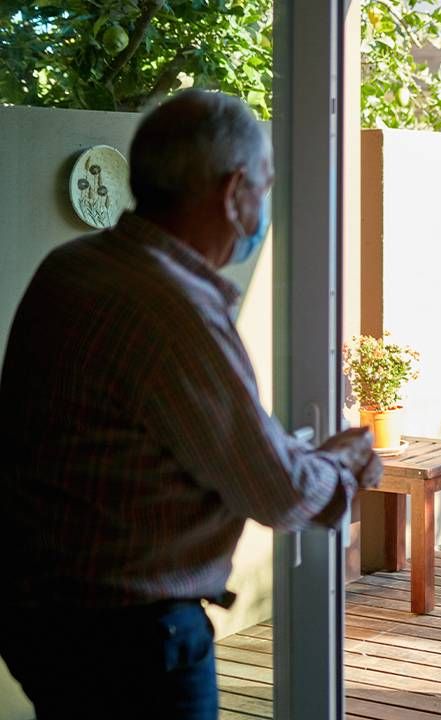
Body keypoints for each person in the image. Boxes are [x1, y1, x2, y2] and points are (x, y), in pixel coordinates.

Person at [0, 90, 381, 719]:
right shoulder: (171, 309)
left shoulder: (72, 267)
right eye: (264, 186)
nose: (264, 205)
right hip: (126, 641)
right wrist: (344, 465)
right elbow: (276, 490)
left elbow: (196, 439)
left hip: (43, 616)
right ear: (233, 192)